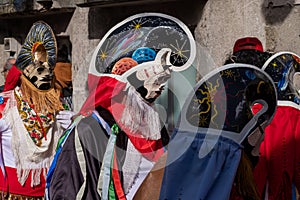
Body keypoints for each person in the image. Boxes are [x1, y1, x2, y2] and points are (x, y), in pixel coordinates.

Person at [45, 12, 196, 200]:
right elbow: (67, 190)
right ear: (132, 82)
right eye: (157, 79)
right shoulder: (89, 129)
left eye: (165, 79)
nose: (161, 87)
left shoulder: (154, 125)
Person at [0, 21, 73, 199]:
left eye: (49, 71)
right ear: (24, 76)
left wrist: (75, 125)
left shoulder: (60, 109)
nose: (46, 75)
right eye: (40, 71)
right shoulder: (5, 109)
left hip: (52, 192)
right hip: (14, 194)